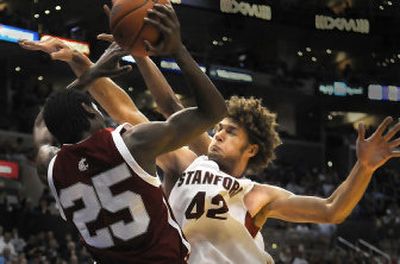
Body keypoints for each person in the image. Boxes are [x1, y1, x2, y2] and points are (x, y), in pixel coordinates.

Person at [22, 6, 400, 264]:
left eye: (229, 132)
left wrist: (364, 167)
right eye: (218, 128)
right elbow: (140, 111)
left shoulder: (259, 195)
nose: (217, 135)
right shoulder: (190, 161)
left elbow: (332, 210)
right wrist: (127, 55)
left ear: (252, 148)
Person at [29, 4, 227, 264]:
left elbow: (42, 125)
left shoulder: (51, 168)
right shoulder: (132, 143)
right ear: (89, 111)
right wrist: (178, 49)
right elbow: (213, 111)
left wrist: (93, 73)